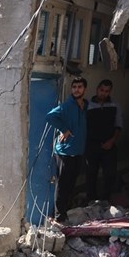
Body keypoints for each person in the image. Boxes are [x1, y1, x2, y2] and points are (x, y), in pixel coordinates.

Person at [46, 77, 88, 223]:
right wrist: (64, 129)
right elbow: (50, 116)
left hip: (78, 151)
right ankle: (58, 216)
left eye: (80, 87)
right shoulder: (67, 106)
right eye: (74, 87)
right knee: (62, 185)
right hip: (65, 152)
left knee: (71, 184)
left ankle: (65, 211)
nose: (77, 89)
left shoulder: (85, 106)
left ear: (85, 89)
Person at [85, 79, 122, 202]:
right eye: (102, 90)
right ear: (97, 89)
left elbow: (118, 125)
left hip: (109, 145)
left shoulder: (115, 106)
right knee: (91, 174)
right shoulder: (88, 105)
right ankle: (91, 200)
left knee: (110, 173)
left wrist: (112, 141)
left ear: (110, 92)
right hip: (92, 145)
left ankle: (105, 200)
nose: (103, 93)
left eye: (107, 91)